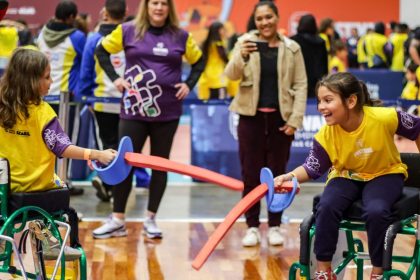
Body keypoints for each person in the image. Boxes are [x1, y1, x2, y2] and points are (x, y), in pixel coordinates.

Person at [274, 72, 420, 280]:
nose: (321, 107)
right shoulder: (326, 134)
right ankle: (324, 270)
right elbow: (312, 167)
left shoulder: (384, 117)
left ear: (351, 101)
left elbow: (417, 127)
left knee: (377, 211)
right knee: (326, 207)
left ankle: (378, 271)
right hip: (346, 176)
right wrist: (290, 176)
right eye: (319, 101)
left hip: (384, 174)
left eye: (328, 100)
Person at [92, 0, 204, 239]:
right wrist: (115, 79)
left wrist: (189, 84)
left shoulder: (181, 36)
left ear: (169, 8)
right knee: (124, 163)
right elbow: (101, 51)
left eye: (164, 3)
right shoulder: (127, 30)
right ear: (147, 6)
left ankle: (151, 219)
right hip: (133, 110)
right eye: (155, 2)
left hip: (168, 112)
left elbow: (199, 61)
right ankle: (117, 219)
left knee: (160, 165)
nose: (159, 7)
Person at [0, 48, 117, 258]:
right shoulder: (42, 112)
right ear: (30, 81)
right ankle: (46, 238)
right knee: (58, 183)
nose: (51, 82)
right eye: (46, 77)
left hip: (4, 189)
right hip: (34, 190)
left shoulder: (2, 106)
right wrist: (97, 154)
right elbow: (63, 148)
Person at [225, 1, 307, 247]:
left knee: (278, 176)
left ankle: (274, 225)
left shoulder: (292, 48)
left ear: (277, 17)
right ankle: (251, 226)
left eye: (269, 17)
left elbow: (302, 84)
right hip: (250, 119)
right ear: (255, 21)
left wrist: (294, 119)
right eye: (259, 19)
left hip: (280, 121)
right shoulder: (244, 43)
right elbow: (230, 75)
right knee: (250, 175)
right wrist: (241, 55)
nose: (264, 23)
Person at [37, 0, 87, 195]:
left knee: (45, 142)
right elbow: (87, 62)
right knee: (67, 141)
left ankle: (49, 180)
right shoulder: (77, 37)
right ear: (72, 17)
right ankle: (66, 182)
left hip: (42, 96)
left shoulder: (41, 34)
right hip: (66, 97)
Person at [290, 14, 328, 98]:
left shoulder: (292, 40)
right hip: (316, 83)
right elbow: (324, 64)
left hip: (297, 81)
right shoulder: (321, 42)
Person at [197, 21, 229, 100]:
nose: (224, 31)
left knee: (208, 103)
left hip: (207, 77)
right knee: (220, 104)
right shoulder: (218, 44)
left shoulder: (205, 44)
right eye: (223, 29)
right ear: (218, 30)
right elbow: (225, 59)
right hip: (218, 78)